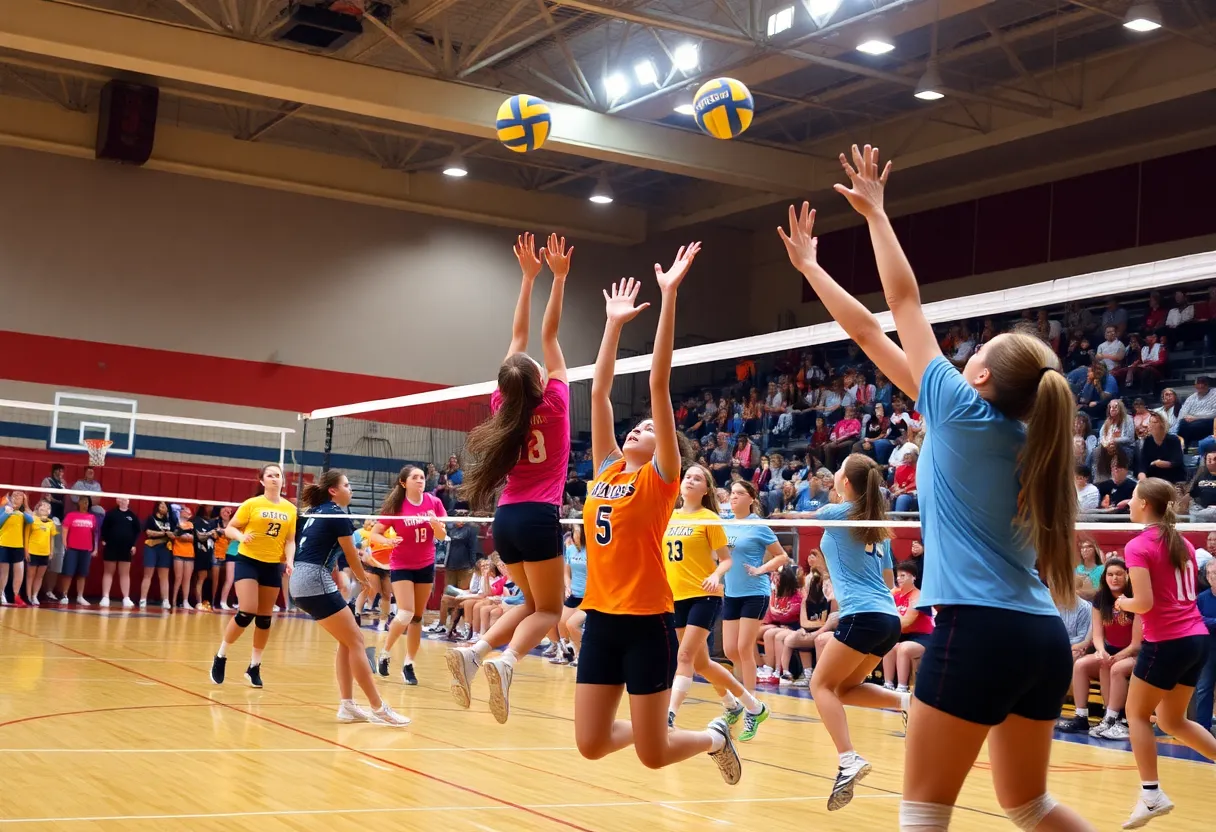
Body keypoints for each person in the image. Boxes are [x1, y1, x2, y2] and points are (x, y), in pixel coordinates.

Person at [779, 145, 1090, 831]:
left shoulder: (957, 408)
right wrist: (811, 266)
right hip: (1042, 638)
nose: (965, 353)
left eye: (977, 351)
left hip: (979, 633)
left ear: (978, 378)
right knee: (1031, 805)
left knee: (922, 815)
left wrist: (876, 216)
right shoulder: (1023, 437)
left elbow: (899, 303)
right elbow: (870, 334)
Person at [574, 248, 742, 784]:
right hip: (601, 619)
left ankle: (715, 736)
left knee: (652, 754)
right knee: (590, 743)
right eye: (635, 428)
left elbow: (658, 383)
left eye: (647, 430)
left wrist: (669, 295)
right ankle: (697, 735)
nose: (636, 431)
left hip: (647, 624)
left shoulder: (659, 479)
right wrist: (612, 325)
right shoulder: (606, 470)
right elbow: (600, 391)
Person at [446, 232, 572, 722]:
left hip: (507, 518)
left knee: (532, 603)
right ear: (540, 381)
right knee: (550, 611)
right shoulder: (556, 404)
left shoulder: (502, 410)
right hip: (539, 517)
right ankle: (507, 661)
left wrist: (527, 279)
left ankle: (475, 652)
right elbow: (549, 337)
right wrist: (557, 279)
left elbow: (521, 343)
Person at [794, 454, 907, 810]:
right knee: (843, 688)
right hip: (887, 619)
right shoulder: (878, 526)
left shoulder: (837, 513)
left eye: (838, 472)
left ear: (845, 483)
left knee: (820, 685)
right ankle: (909, 703)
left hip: (861, 615)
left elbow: (795, 517)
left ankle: (848, 760)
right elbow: (888, 582)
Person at [1114, 478, 1216, 829]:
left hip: (1168, 641)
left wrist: (1122, 601)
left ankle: (1152, 794)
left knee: (1136, 714)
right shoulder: (1183, 542)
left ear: (1144, 504)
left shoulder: (1138, 545)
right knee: (1172, 721)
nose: (1128, 503)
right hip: (1197, 638)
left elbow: (1144, 602)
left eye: (1132, 498)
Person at [290, 470, 409, 726]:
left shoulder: (318, 512)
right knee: (356, 639)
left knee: (347, 641)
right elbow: (351, 555)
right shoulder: (337, 514)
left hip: (301, 580)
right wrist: (364, 579)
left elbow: (326, 549)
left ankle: (347, 706)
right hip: (314, 580)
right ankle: (379, 708)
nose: (351, 489)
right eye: (346, 485)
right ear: (333, 490)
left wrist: (348, 570)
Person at [662, 464, 765, 731]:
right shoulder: (669, 516)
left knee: (684, 657)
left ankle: (669, 715)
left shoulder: (709, 518)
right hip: (677, 596)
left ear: (706, 489)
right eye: (687, 477)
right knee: (701, 662)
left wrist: (715, 576)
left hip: (704, 595)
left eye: (697, 479)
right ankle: (746, 705)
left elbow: (726, 560)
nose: (691, 481)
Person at [211, 464, 297, 689]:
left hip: (272, 565)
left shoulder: (290, 509)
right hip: (248, 561)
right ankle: (221, 656)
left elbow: (290, 540)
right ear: (262, 481)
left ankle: (254, 666)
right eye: (270, 475)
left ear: (283, 481)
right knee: (247, 610)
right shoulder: (252, 504)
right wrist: (241, 536)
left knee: (265, 618)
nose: (275, 479)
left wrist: (289, 560)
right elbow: (230, 528)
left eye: (278, 476)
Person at [722, 479, 789, 733]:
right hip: (732, 593)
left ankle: (751, 707)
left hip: (755, 592)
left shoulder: (758, 526)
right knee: (730, 650)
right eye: (732, 493)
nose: (734, 497)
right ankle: (743, 699)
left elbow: (782, 555)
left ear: (752, 499)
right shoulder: (723, 523)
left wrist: (762, 568)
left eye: (740, 493)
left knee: (743, 647)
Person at [370, 464, 446, 686]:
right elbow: (375, 534)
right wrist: (388, 541)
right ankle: (384, 653)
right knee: (405, 612)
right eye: (415, 477)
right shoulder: (396, 506)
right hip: (402, 564)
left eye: (422, 477)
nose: (420, 480)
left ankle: (408, 664)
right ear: (404, 482)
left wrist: (435, 524)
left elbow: (442, 534)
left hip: (425, 563)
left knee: (417, 618)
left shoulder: (434, 503)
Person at [1056, 558, 1140, 740]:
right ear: (1104, 577)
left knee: (1114, 667)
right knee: (1082, 665)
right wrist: (1101, 651)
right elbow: (1098, 635)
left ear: (1127, 575)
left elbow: (1136, 643)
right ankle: (1081, 716)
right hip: (1110, 650)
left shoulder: (1135, 599)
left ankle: (1112, 719)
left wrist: (1116, 656)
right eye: (1110, 574)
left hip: (1136, 654)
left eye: (1119, 574)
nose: (1114, 578)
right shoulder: (1100, 598)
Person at [552, 523, 587, 665]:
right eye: (573, 531)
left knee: (572, 624)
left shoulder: (593, 551)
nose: (574, 535)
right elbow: (566, 573)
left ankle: (582, 654)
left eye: (577, 531)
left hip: (589, 597)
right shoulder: (571, 550)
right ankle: (567, 653)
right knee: (559, 621)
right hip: (575, 594)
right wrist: (567, 587)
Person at [98, 497, 140, 608]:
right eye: (121, 499)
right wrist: (104, 540)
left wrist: (133, 545)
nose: (123, 501)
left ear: (129, 501)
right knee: (108, 572)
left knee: (125, 573)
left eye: (126, 499)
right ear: (117, 501)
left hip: (126, 548)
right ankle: (105, 597)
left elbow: (136, 531)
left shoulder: (132, 515)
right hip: (111, 546)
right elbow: (104, 528)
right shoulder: (111, 514)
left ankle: (126, 598)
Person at [59, 496, 98, 606]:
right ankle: (64, 595)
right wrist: (64, 543)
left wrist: (95, 548)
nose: (85, 504)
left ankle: (80, 596)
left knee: (82, 573)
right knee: (68, 573)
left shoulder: (92, 517)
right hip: (72, 548)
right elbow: (65, 529)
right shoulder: (71, 515)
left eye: (87, 502)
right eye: (83, 501)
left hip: (86, 549)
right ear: (79, 502)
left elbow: (95, 534)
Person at [0, 491, 33, 606]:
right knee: (4, 572)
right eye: (14, 496)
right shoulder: (4, 509)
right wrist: (7, 512)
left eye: (20, 496)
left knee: (19, 573)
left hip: (18, 546)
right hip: (4, 544)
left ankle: (16, 595)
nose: (16, 498)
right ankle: (1, 594)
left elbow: (31, 520)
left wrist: (23, 508)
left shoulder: (22, 514)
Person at [138, 502, 173, 610]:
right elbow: (148, 532)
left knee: (164, 576)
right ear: (157, 507)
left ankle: (165, 600)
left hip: (165, 548)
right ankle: (143, 599)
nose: (163, 508)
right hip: (151, 547)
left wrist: (171, 535)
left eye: (165, 507)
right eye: (161, 506)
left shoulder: (170, 520)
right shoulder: (151, 518)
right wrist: (162, 534)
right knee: (148, 574)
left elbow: (174, 532)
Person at [170, 506, 196, 610]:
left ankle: (185, 601)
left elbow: (193, 538)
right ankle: (174, 601)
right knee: (178, 578)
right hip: (178, 552)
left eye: (186, 511)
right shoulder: (176, 523)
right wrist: (184, 536)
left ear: (190, 515)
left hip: (189, 554)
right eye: (182, 510)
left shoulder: (191, 524)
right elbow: (177, 536)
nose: (184, 511)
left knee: (187, 579)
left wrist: (185, 536)